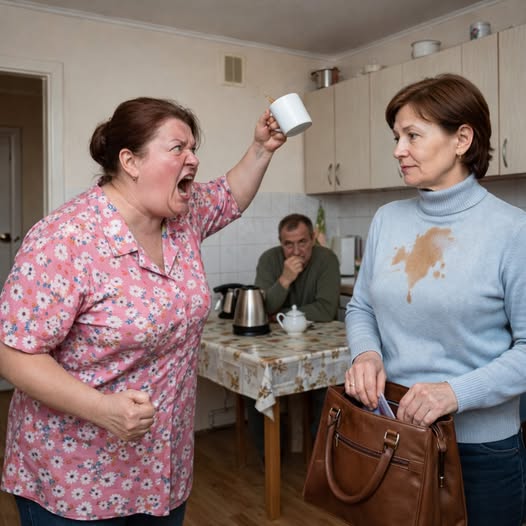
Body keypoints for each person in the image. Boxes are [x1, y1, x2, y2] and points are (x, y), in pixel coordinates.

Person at [0, 97, 286, 525]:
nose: (193, 159)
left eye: (193, 148)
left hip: (162, 469)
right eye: (178, 148)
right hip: (75, 477)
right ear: (130, 161)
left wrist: (262, 148)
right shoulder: (66, 238)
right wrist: (102, 408)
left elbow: (229, 196)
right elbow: (14, 353)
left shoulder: (183, 217)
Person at [344, 73, 526, 526]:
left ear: (462, 139)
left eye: (412, 135)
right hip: (394, 432)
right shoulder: (387, 219)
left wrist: (454, 393)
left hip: (480, 451)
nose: (397, 150)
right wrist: (366, 353)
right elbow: (361, 307)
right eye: (396, 137)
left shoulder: (513, 231)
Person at [247, 213, 340, 458]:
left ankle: (320, 453)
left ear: (313, 239)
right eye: (289, 244)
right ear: (281, 243)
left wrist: (280, 314)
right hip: (274, 346)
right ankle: (270, 456)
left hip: (319, 344)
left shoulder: (327, 259)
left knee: (328, 387)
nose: (296, 251)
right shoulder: (269, 260)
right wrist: (285, 280)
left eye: (302, 242)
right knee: (255, 381)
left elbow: (326, 310)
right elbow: (263, 308)